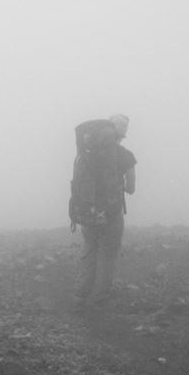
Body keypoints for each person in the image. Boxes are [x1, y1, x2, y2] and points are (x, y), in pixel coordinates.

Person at [74, 114, 136, 308]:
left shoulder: (87, 153)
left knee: (90, 248)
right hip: (112, 212)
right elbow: (131, 188)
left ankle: (81, 294)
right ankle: (100, 297)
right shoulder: (125, 155)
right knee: (108, 253)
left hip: (88, 210)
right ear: (121, 133)